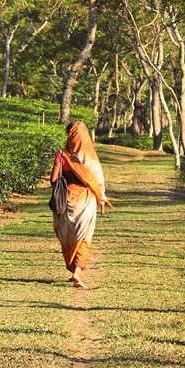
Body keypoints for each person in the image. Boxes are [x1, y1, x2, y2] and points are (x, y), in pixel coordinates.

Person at [50, 121, 109, 288]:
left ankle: (72, 267)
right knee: (84, 236)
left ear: (69, 136)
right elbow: (98, 179)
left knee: (67, 235)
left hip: (65, 200)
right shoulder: (90, 156)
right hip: (86, 201)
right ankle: (77, 271)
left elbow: (53, 180)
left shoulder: (61, 154)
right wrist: (102, 197)